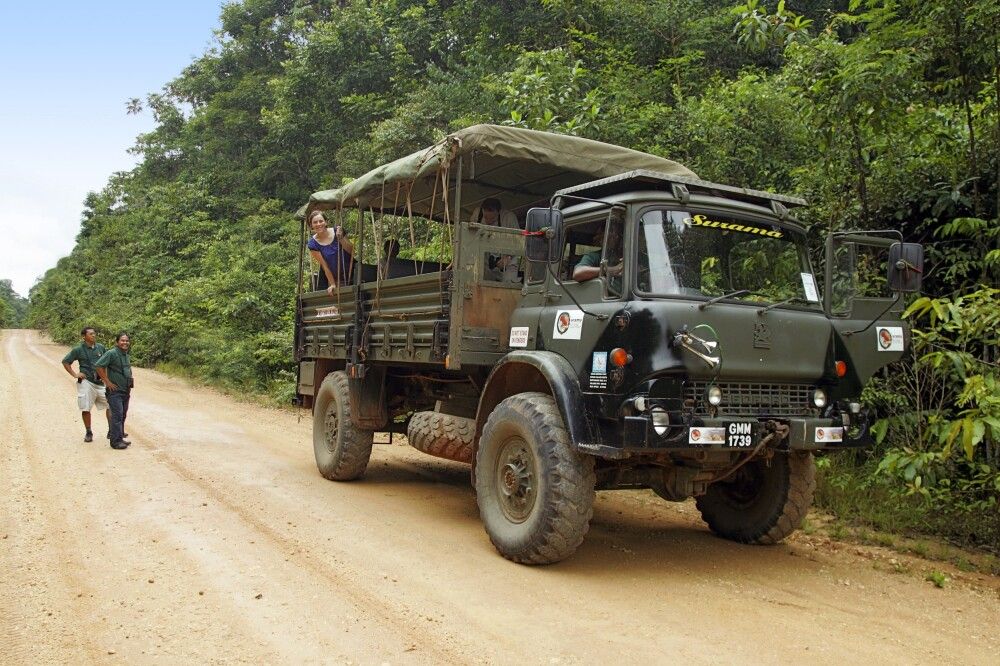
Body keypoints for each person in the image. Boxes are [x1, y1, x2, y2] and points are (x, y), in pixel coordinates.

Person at [61, 326, 110, 442]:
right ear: (84, 337)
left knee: (111, 404)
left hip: (100, 382)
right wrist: (75, 374)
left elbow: (107, 363)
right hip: (86, 381)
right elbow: (65, 361)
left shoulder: (101, 348)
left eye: (94, 333)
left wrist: (106, 378)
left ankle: (111, 430)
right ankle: (88, 432)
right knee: (86, 407)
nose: (94, 335)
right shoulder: (78, 350)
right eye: (91, 334)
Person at [96, 332, 133, 450]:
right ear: (117, 342)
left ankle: (120, 438)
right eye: (122, 340)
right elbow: (98, 366)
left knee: (122, 415)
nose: (125, 343)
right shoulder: (111, 353)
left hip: (125, 390)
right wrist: (107, 382)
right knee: (117, 416)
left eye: (127, 341)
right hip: (115, 391)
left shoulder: (126, 355)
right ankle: (115, 442)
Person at [307, 211, 355, 293]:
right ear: (311, 225)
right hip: (336, 278)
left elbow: (351, 251)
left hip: (352, 272)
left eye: (321, 221)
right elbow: (325, 266)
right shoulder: (313, 244)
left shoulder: (337, 231)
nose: (318, 224)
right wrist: (332, 284)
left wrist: (341, 238)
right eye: (315, 222)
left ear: (326, 222)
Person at [474, 198, 520, 282]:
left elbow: (518, 241)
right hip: (485, 258)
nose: (488, 221)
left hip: (506, 258)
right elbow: (471, 236)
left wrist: (508, 257)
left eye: (492, 219)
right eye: (486, 217)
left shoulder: (509, 218)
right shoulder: (477, 215)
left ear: (499, 212)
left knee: (508, 284)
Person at [573, 224, 624, 289]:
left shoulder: (633, 256)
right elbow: (578, 273)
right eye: (611, 233)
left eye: (618, 234)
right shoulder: (594, 256)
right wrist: (611, 270)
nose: (615, 237)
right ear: (601, 239)